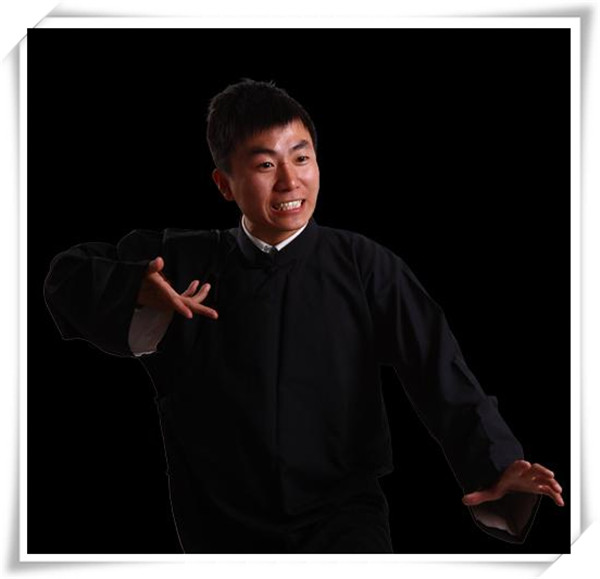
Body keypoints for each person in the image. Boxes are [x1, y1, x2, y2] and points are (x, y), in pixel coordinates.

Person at [43, 78, 564, 554]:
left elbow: (438, 367)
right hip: (217, 521)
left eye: (302, 158)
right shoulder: (182, 260)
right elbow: (67, 274)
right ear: (224, 183)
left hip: (343, 517)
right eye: (265, 165)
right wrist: (135, 287)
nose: (290, 182)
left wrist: (497, 464)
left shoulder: (363, 265)